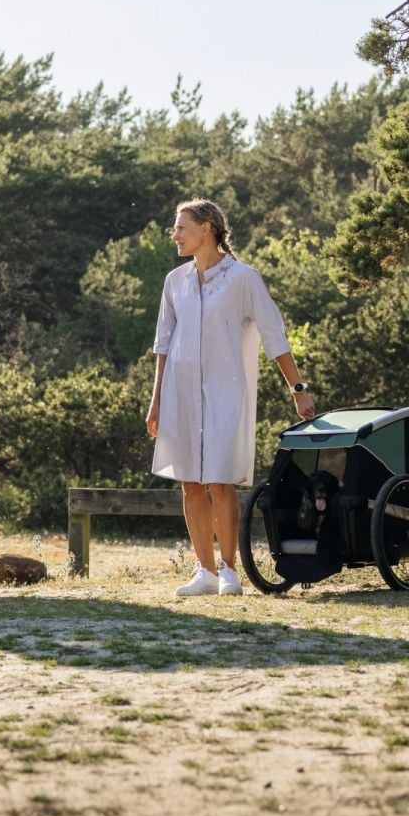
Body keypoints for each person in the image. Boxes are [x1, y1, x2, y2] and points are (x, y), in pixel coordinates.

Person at [145, 198, 314, 596]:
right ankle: (203, 570)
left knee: (220, 481)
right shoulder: (175, 282)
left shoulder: (243, 278)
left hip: (225, 391)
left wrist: (298, 389)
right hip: (179, 391)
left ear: (207, 228)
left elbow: (274, 335)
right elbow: (163, 344)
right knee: (189, 481)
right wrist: (156, 400)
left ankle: (229, 572)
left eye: (181, 227)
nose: (175, 235)